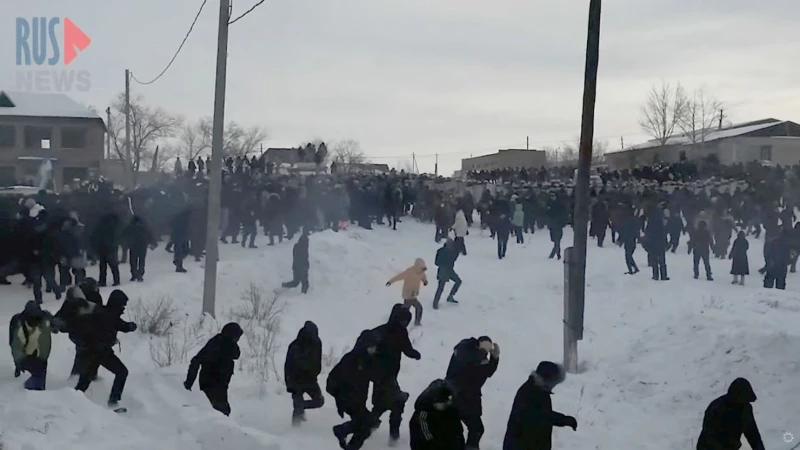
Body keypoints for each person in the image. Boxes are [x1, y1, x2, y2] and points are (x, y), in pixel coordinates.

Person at [369, 304, 421, 444]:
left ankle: (368, 427)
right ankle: (393, 436)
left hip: (378, 375)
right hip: (387, 375)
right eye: (404, 321)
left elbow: (368, 345)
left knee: (380, 404)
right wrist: (415, 354)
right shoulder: (399, 332)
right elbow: (407, 349)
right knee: (398, 403)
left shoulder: (380, 330)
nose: (405, 324)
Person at [75, 289, 137, 408]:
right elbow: (122, 326)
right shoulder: (110, 315)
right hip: (100, 352)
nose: (123, 308)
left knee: (85, 380)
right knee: (122, 372)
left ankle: (73, 400)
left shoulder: (103, 312)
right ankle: (113, 401)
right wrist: (130, 326)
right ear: (117, 304)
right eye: (122, 305)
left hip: (93, 351)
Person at [502, 361, 577, 450]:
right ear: (548, 380)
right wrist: (564, 420)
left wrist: (565, 420)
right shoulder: (532, 393)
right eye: (555, 382)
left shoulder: (538, 390)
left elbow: (544, 414)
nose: (554, 386)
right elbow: (542, 416)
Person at [328, 330, 380, 450]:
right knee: (367, 424)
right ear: (365, 345)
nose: (374, 349)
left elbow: (374, 376)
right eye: (372, 346)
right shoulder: (350, 360)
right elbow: (332, 380)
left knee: (369, 424)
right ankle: (342, 432)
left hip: (358, 400)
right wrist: (340, 397)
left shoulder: (367, 361)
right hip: (348, 400)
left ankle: (343, 434)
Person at [446, 336, 499, 450]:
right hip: (457, 395)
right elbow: (466, 361)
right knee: (465, 429)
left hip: (469, 397)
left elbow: (487, 372)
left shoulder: (480, 357)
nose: (485, 352)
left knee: (476, 429)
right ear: (478, 343)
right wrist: (482, 353)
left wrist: (494, 358)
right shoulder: (465, 348)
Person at [184, 322, 244, 416]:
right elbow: (196, 360)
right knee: (220, 412)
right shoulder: (216, 345)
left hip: (220, 386)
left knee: (223, 411)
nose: (237, 340)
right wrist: (188, 384)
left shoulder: (228, 345)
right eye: (236, 338)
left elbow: (236, 354)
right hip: (211, 384)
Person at [696, 378, 765, 450]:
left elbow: (753, 434)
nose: (745, 404)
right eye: (743, 401)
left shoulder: (745, 409)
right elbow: (710, 437)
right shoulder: (717, 408)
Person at [284, 321, 324, 426]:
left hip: (310, 379)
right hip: (295, 379)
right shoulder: (295, 346)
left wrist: (316, 371)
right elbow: (288, 366)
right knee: (297, 404)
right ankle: (295, 430)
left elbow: (318, 360)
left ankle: (300, 407)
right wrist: (289, 384)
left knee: (319, 401)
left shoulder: (317, 342)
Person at [9, 301, 54, 391]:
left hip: (42, 354)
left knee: (40, 374)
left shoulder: (45, 318)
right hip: (26, 355)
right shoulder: (19, 323)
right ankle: (27, 391)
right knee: (37, 375)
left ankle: (37, 392)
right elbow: (15, 345)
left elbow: (56, 327)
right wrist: (18, 361)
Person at [409, 379, 465, 450]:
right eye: (443, 404)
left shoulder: (451, 410)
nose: (445, 406)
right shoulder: (422, 414)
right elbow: (424, 437)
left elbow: (458, 432)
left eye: (447, 404)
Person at [386, 258, 428, 326]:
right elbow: (399, 276)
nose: (423, 270)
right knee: (416, 308)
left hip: (414, 293)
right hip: (408, 294)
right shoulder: (409, 271)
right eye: (422, 268)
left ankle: (399, 319)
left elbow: (423, 276)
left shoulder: (421, 272)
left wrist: (425, 281)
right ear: (418, 267)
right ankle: (401, 321)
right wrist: (390, 281)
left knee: (408, 308)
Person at [124, 215, 156, 282]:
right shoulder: (144, 227)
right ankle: (140, 275)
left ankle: (134, 274)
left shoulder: (130, 227)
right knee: (141, 261)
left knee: (133, 261)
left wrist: (126, 243)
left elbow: (125, 234)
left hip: (133, 246)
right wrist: (153, 243)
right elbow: (150, 235)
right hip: (142, 245)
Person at [433, 239, 462, 309]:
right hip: (448, 270)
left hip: (442, 270)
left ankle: (436, 302)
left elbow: (436, 263)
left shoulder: (440, 250)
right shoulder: (451, 252)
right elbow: (453, 260)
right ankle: (449, 296)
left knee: (440, 287)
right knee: (457, 282)